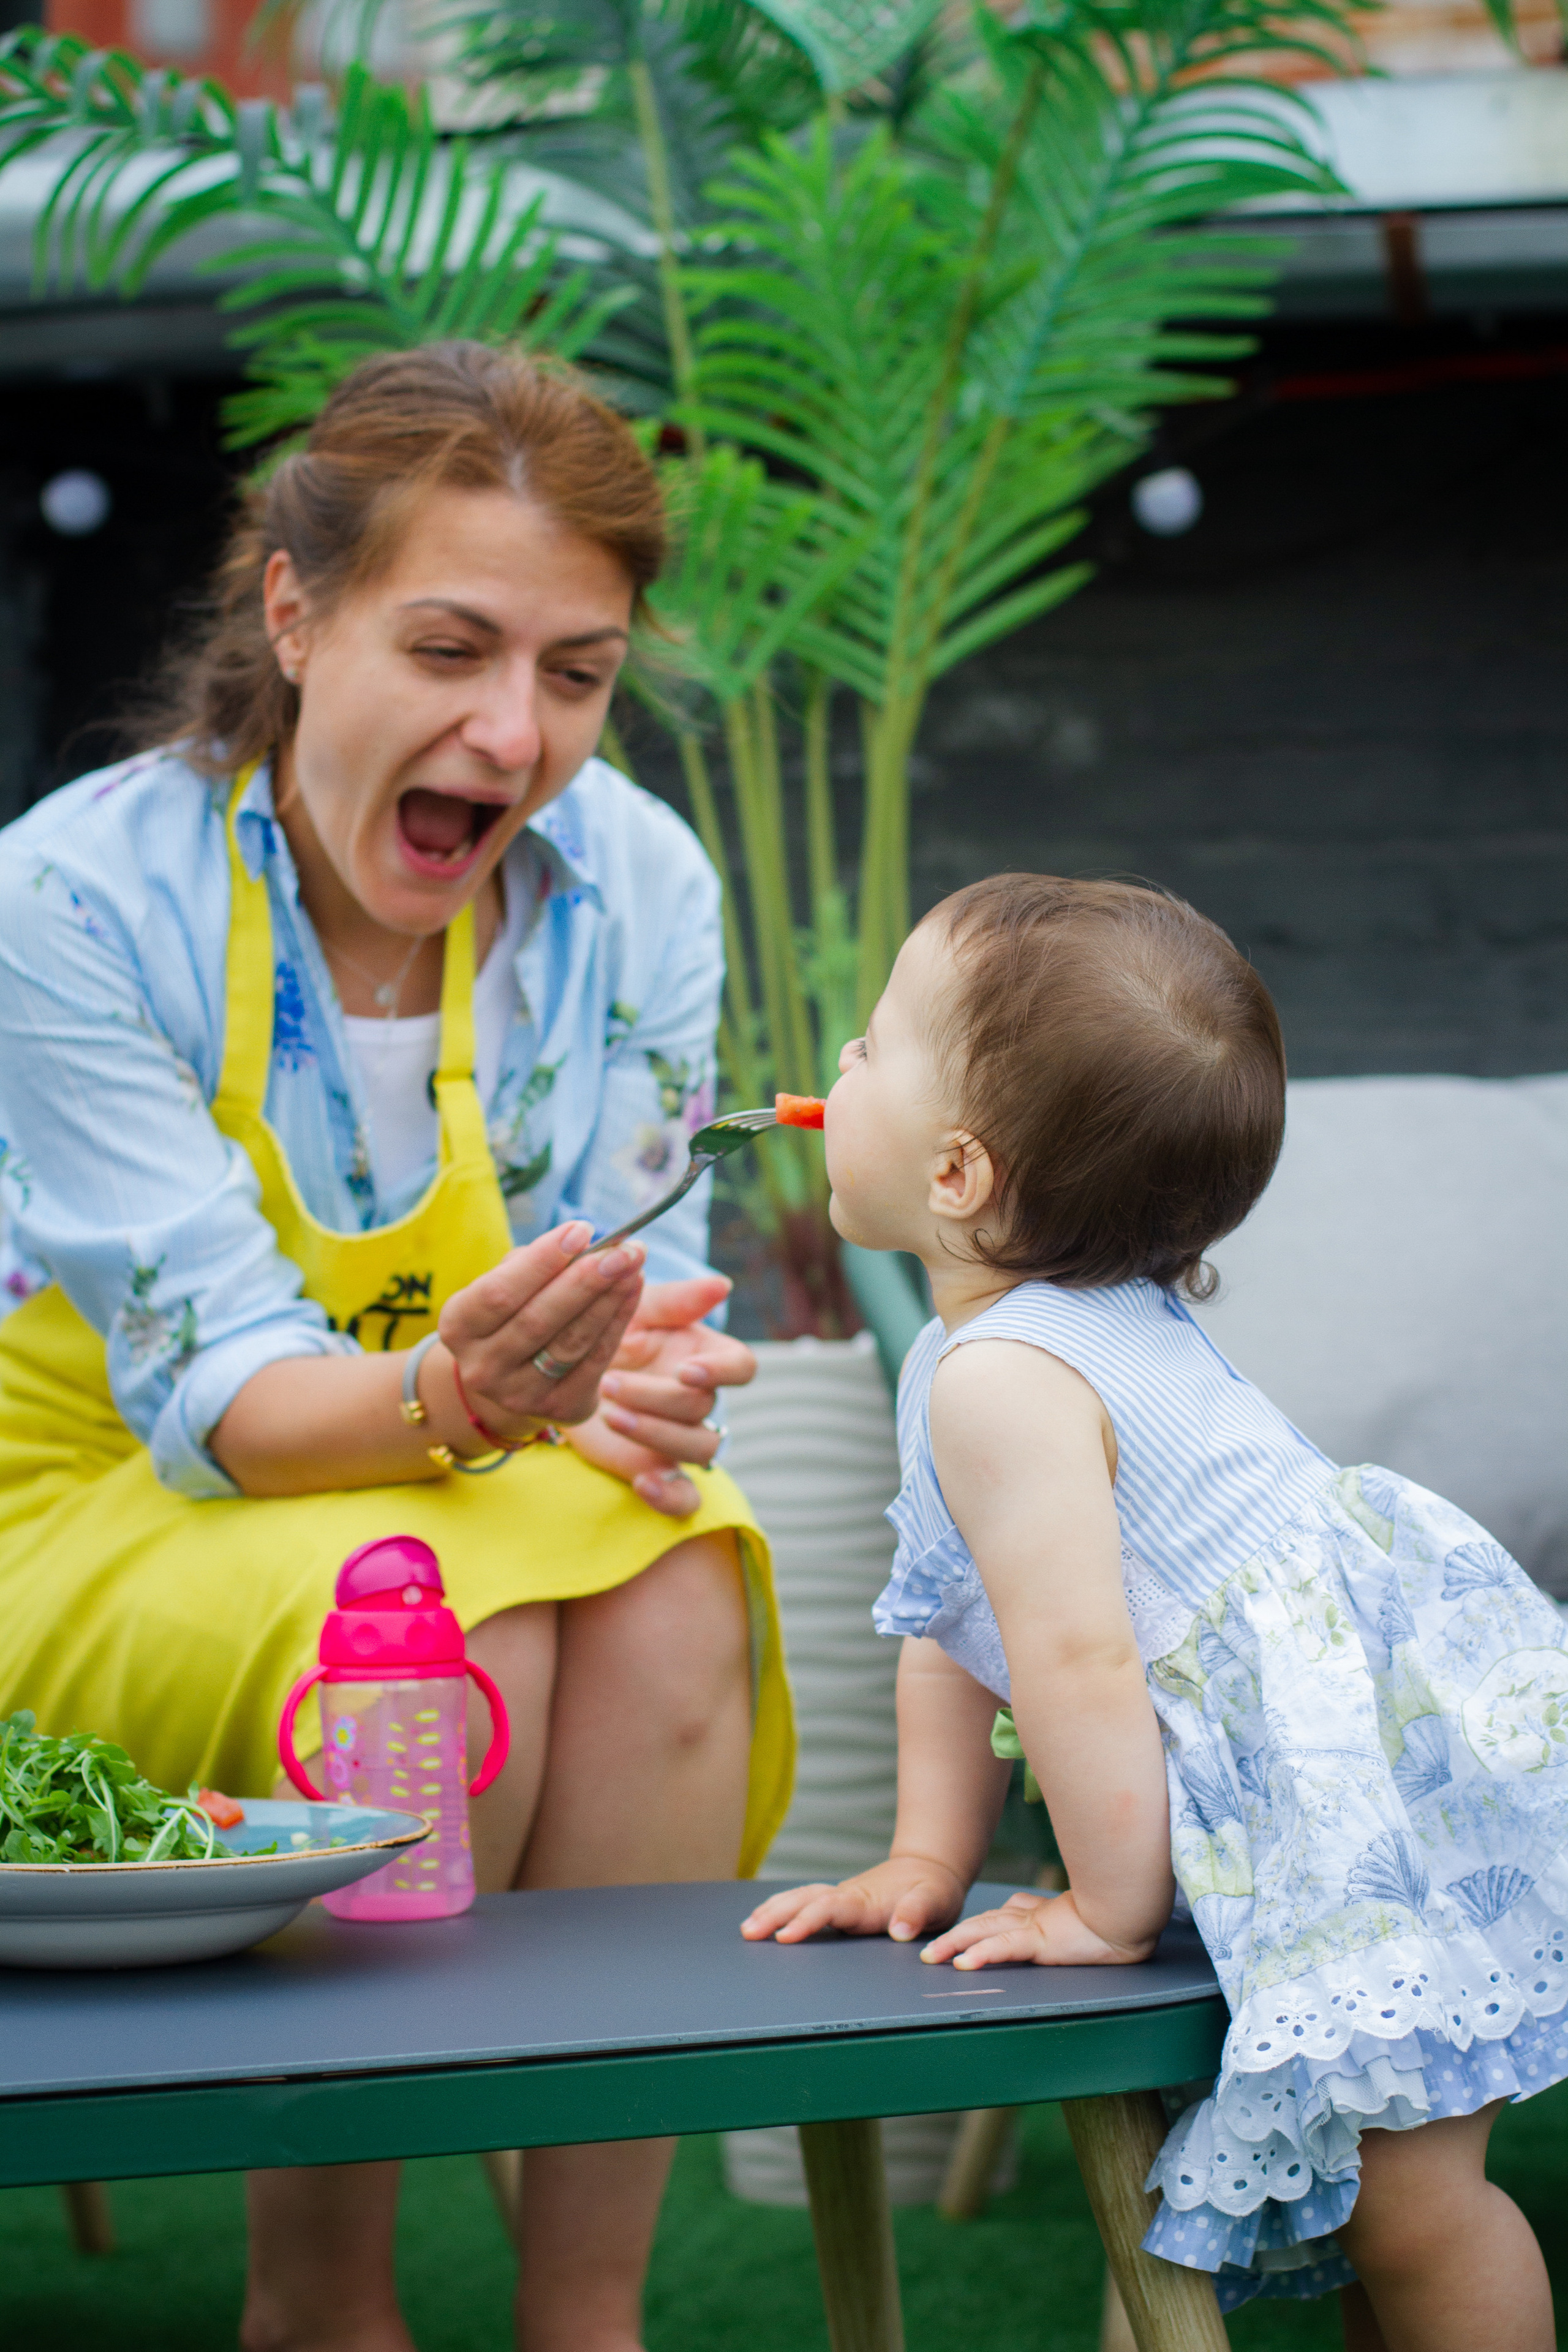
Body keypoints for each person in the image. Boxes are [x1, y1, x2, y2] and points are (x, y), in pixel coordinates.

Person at [0, 342, 793, 2352]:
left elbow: (626, 1295)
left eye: (579, 675)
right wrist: (469, 1400)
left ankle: (583, 2317)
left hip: (465, 1472)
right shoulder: (69, 900)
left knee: (683, 1579)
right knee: (432, 1618)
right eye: (450, 648)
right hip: (94, 1501)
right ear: (293, 607)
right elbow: (223, 1396)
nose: (512, 734)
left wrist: (643, 1371)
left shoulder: (644, 887)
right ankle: (323, 2304)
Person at [743, 872, 1566, 2352]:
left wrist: (1101, 1906)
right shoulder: (995, 1341)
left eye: (873, 1044)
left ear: (955, 1176)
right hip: (1348, 1770)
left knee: (1410, 2203)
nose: (840, 1067)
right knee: (1375, 2190)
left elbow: (1073, 1660)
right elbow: (956, 1623)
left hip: (1376, 1783)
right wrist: (924, 1859)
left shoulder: (1008, 1374)